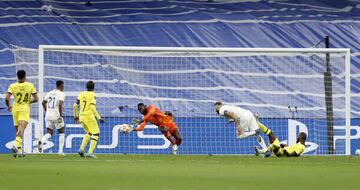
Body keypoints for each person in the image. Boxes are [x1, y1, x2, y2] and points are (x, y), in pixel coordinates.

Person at [5, 70, 38, 157]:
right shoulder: (30, 85)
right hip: (24, 109)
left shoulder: (13, 86)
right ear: (25, 76)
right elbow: (36, 99)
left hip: (15, 109)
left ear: (17, 76)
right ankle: (15, 145)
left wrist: (8, 106)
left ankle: (19, 151)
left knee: (18, 131)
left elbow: (6, 98)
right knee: (21, 130)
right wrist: (28, 101)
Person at [73, 81, 104, 158]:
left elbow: (75, 105)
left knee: (89, 133)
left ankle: (81, 149)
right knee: (96, 133)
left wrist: (75, 116)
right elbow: (92, 107)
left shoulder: (81, 94)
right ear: (93, 87)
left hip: (81, 116)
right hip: (89, 116)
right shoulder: (93, 94)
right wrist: (99, 117)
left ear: (86, 87)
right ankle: (90, 152)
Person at [38, 80, 66, 155]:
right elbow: (60, 104)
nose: (63, 87)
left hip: (48, 115)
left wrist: (46, 111)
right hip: (56, 115)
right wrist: (60, 116)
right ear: (61, 86)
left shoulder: (50, 92)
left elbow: (43, 102)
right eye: (63, 86)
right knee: (62, 132)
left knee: (49, 132)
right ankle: (60, 151)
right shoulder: (61, 94)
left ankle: (42, 141)